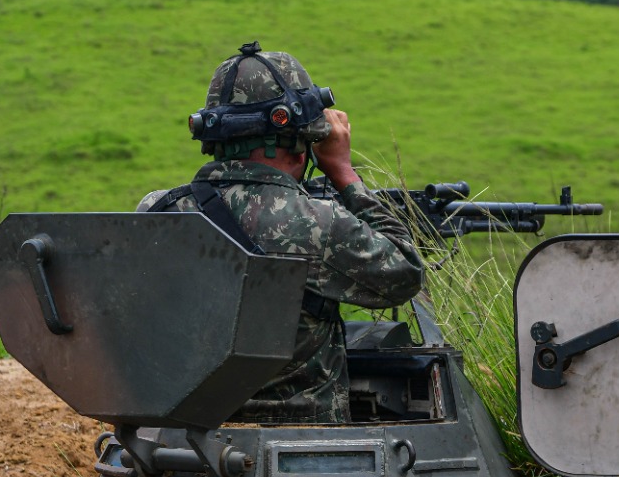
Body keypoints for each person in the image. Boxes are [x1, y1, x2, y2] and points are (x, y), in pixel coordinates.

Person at [138, 42, 425, 423]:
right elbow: (404, 274)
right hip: (299, 447)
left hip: (178, 442)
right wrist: (344, 173)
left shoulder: (157, 210)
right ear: (303, 142)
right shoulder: (315, 223)